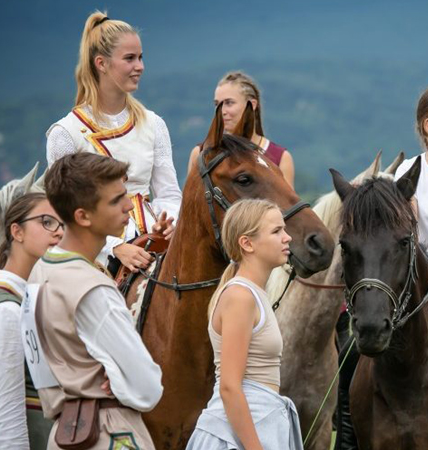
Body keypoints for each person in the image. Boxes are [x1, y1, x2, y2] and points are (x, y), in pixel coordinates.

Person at [27, 152, 163, 449]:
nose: (129, 205)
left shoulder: (38, 272)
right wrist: (117, 378)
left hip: (62, 433)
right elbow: (148, 387)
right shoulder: (93, 289)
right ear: (83, 216)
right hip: (110, 433)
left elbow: (43, 371)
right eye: (116, 200)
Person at [46, 11, 181, 273]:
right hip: (93, 254)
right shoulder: (66, 133)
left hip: (155, 243)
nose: (140, 66)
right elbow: (62, 211)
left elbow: (169, 193)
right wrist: (115, 247)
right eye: (129, 58)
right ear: (101, 63)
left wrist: (166, 223)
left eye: (141, 57)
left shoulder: (154, 124)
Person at [187, 199, 303, 450]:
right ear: (247, 243)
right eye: (276, 231)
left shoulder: (254, 293)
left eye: (283, 229)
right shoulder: (240, 296)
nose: (287, 238)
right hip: (237, 436)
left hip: (260, 425)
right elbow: (230, 386)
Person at [0, 193, 63, 449]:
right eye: (46, 222)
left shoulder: (30, 299)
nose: (58, 232)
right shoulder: (7, 310)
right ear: (17, 232)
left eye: (62, 224)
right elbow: (5, 411)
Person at [188, 71, 295, 187]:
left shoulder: (279, 157)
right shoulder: (201, 154)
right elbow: (190, 203)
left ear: (252, 105)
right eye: (217, 104)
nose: (222, 111)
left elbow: (287, 204)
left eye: (229, 103)